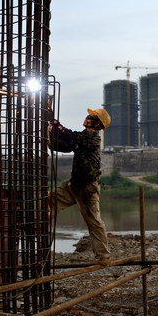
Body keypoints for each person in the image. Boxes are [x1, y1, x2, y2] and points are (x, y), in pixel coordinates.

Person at [48, 107, 111, 266]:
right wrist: (49, 136)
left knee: (94, 222)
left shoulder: (91, 138)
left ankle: (104, 256)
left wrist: (55, 124)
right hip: (74, 185)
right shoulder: (82, 139)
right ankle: (37, 230)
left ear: (97, 123)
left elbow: (68, 135)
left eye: (91, 116)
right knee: (50, 201)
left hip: (88, 188)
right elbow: (63, 145)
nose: (87, 117)